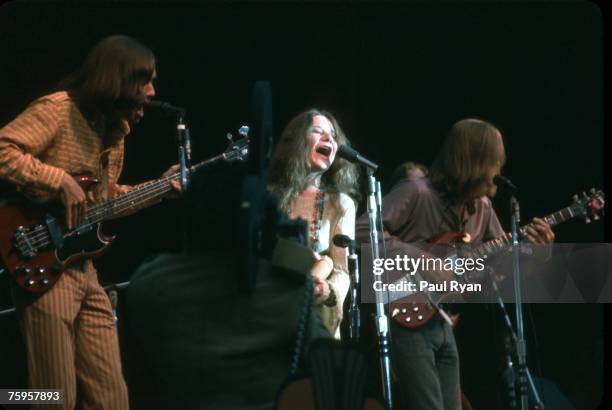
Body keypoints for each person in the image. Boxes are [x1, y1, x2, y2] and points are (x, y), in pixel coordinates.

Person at [0, 35, 178, 409]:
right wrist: (58, 179)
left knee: (113, 398)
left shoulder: (115, 132)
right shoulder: (58, 110)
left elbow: (102, 203)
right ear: (118, 79)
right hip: (42, 261)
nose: (151, 91)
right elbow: (3, 148)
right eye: (145, 79)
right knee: (52, 397)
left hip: (84, 268)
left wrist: (162, 187)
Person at [356, 118, 555, 410]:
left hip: (443, 320)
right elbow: (363, 230)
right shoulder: (416, 191)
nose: (500, 166)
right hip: (404, 315)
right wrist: (420, 258)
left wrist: (539, 256)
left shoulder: (482, 208)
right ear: (475, 159)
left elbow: (504, 267)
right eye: (495, 159)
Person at [268, 109, 360, 338]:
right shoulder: (266, 195)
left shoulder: (340, 204)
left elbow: (340, 269)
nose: (329, 139)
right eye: (318, 132)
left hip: (313, 318)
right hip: (269, 310)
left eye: (332, 136)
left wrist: (329, 290)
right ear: (296, 142)